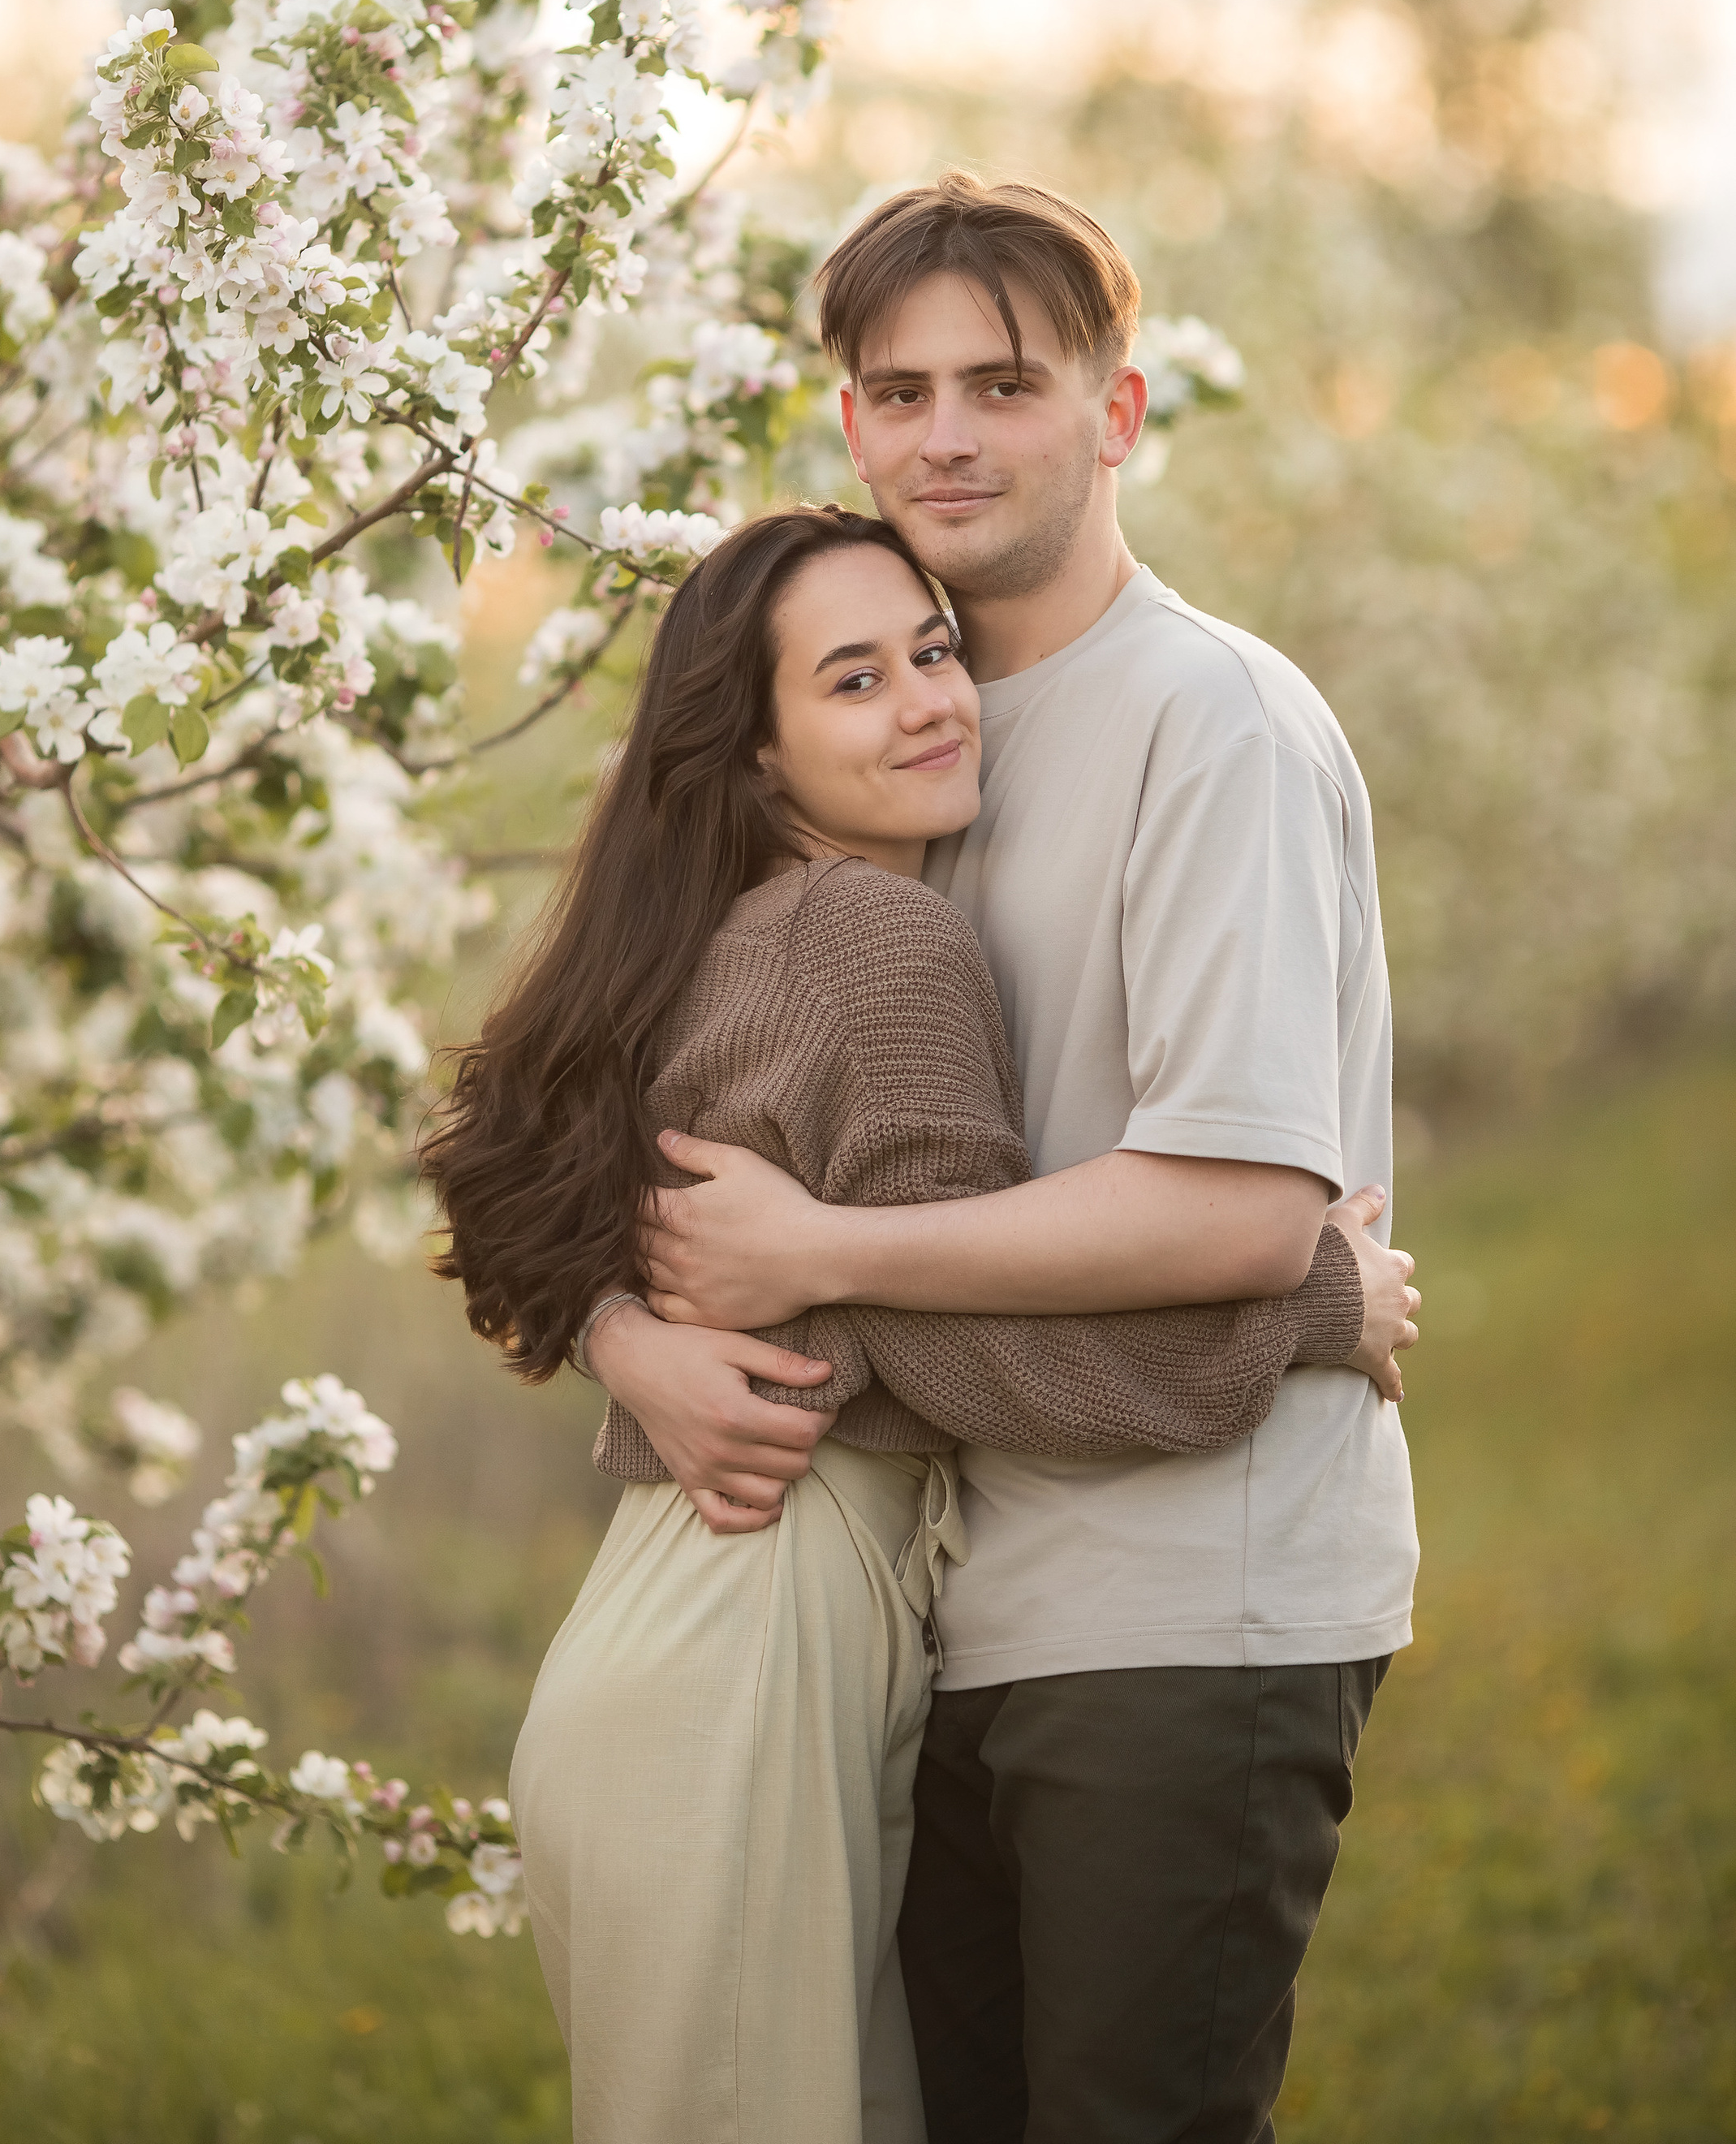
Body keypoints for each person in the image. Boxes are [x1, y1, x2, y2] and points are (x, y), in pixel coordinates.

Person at [423, 501, 1416, 2144]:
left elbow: (513, 1179)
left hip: (661, 1641)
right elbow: (965, 1355)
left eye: (933, 653)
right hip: (755, 1652)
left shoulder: (722, 935)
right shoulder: (871, 937)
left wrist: (620, 1332)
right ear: (754, 757)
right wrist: (1309, 1299)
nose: (931, 702)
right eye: (855, 681)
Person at [602, 174, 1424, 2144]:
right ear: (851, 426)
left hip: (1184, 1593)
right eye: (896, 393)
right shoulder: (897, 728)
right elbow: (621, 1119)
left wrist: (811, 1253)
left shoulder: (1204, 718)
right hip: (948, 1600)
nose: (945, 435)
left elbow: (1233, 1211)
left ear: (1116, 412)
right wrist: (639, 1336)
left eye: (1003, 382)